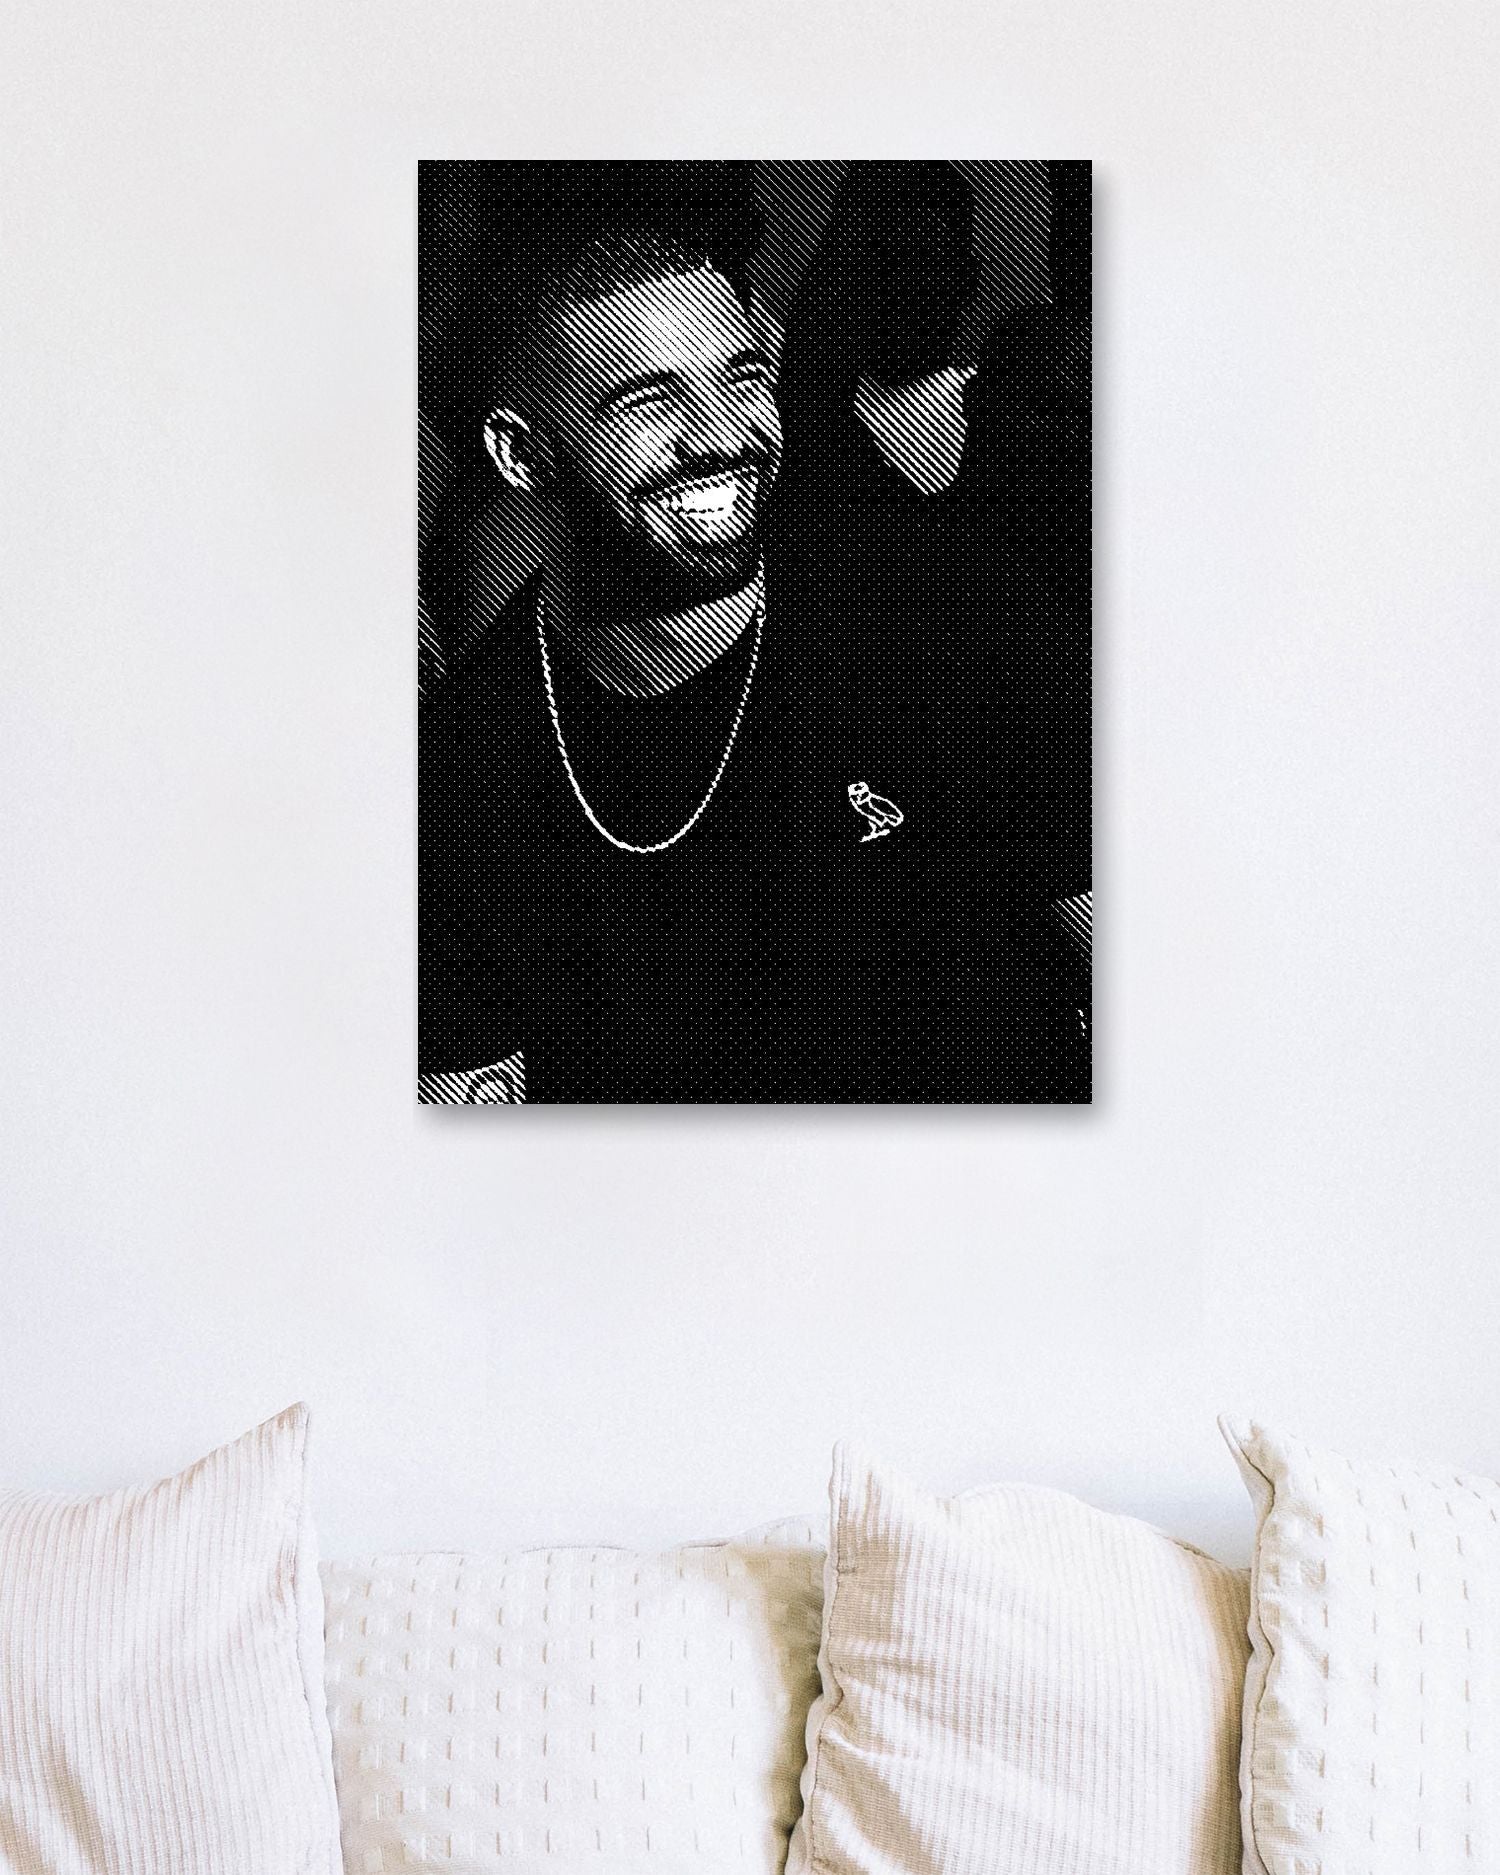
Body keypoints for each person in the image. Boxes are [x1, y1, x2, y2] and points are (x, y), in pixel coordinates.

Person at [419, 214, 1088, 1103]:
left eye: (741, 378)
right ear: (521, 452)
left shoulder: (951, 609)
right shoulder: (455, 783)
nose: (722, 435)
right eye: (649, 401)